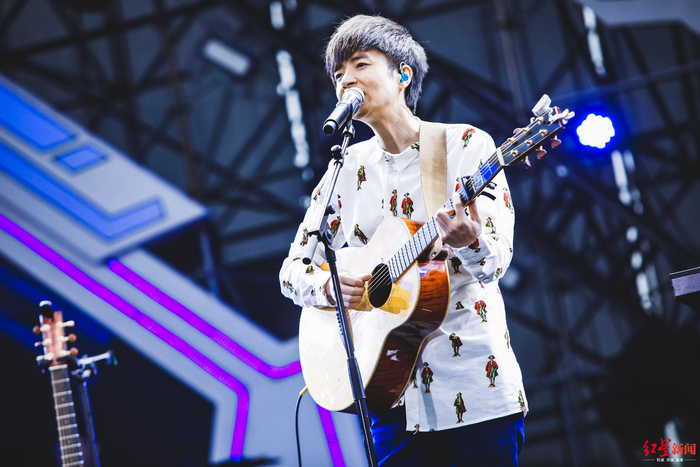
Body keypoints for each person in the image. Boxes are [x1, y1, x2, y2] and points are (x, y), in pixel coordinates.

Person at [279, 14, 527, 466]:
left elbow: (495, 265)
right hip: (391, 402)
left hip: (476, 390)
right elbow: (292, 271)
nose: (345, 80)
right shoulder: (343, 170)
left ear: (403, 75)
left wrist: (468, 241)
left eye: (360, 64)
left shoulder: (465, 146)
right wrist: (327, 288)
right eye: (338, 74)